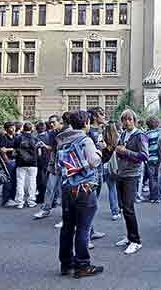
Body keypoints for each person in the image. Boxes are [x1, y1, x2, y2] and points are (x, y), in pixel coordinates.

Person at [58, 110, 104, 278]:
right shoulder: (86, 140)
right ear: (85, 123)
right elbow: (94, 162)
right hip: (84, 188)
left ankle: (66, 263)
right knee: (83, 228)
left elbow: (59, 166)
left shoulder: (62, 140)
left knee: (67, 227)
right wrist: (99, 151)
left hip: (66, 188)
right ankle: (82, 265)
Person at [114, 109, 149, 255]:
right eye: (124, 119)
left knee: (128, 208)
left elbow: (144, 156)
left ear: (134, 120)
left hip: (132, 174)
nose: (127, 122)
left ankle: (136, 241)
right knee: (123, 207)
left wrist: (124, 152)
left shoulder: (140, 135)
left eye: (129, 119)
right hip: (121, 173)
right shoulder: (123, 134)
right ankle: (129, 236)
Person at [34, 114, 64, 219]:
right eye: (50, 122)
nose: (51, 124)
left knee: (63, 191)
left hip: (65, 165)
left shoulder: (67, 132)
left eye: (53, 122)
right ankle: (45, 209)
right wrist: (44, 146)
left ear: (60, 121)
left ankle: (65, 216)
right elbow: (52, 148)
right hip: (54, 163)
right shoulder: (51, 133)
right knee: (50, 188)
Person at [87, 107, 107, 242]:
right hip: (93, 169)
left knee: (94, 202)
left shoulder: (100, 130)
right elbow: (96, 148)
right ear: (95, 117)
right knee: (90, 202)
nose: (104, 116)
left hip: (99, 168)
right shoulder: (90, 132)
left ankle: (91, 230)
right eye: (101, 114)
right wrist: (102, 146)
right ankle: (86, 234)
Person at [13, 122, 39, 209]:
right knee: (32, 182)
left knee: (20, 182)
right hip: (33, 163)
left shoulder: (18, 138)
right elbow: (38, 152)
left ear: (23, 128)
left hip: (20, 163)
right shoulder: (35, 138)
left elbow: (15, 150)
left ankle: (20, 202)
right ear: (31, 129)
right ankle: (31, 201)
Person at [101, 122, 121, 220]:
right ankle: (119, 208)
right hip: (116, 167)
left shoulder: (103, 141)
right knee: (118, 188)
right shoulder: (118, 140)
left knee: (111, 190)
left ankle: (114, 212)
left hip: (105, 167)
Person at [0, 121, 17, 207]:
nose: (13, 128)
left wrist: (9, 149)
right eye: (11, 127)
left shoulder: (15, 137)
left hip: (15, 160)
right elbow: (2, 151)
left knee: (14, 181)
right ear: (6, 129)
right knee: (8, 181)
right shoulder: (4, 138)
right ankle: (6, 200)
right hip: (8, 161)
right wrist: (7, 162)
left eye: (13, 127)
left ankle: (12, 198)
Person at [145, 116, 161, 203]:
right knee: (158, 176)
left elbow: (145, 147)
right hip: (159, 158)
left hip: (150, 158)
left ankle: (153, 196)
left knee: (152, 178)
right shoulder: (160, 133)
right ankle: (158, 196)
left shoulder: (146, 134)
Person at [35, 121, 50, 205]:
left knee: (41, 179)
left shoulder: (37, 138)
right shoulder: (49, 136)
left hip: (40, 161)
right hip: (48, 160)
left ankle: (41, 197)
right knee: (46, 179)